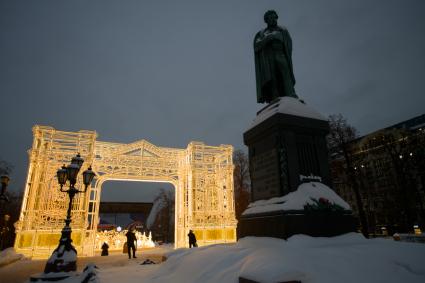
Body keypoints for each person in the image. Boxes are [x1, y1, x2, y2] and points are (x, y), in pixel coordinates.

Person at [254, 10, 298, 103]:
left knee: (286, 74)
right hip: (268, 58)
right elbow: (257, 46)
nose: (274, 19)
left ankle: (291, 93)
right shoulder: (262, 33)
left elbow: (288, 44)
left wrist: (278, 38)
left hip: (280, 54)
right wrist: (269, 37)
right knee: (272, 77)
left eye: (275, 17)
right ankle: (274, 96)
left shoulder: (282, 30)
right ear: (266, 20)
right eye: (271, 18)